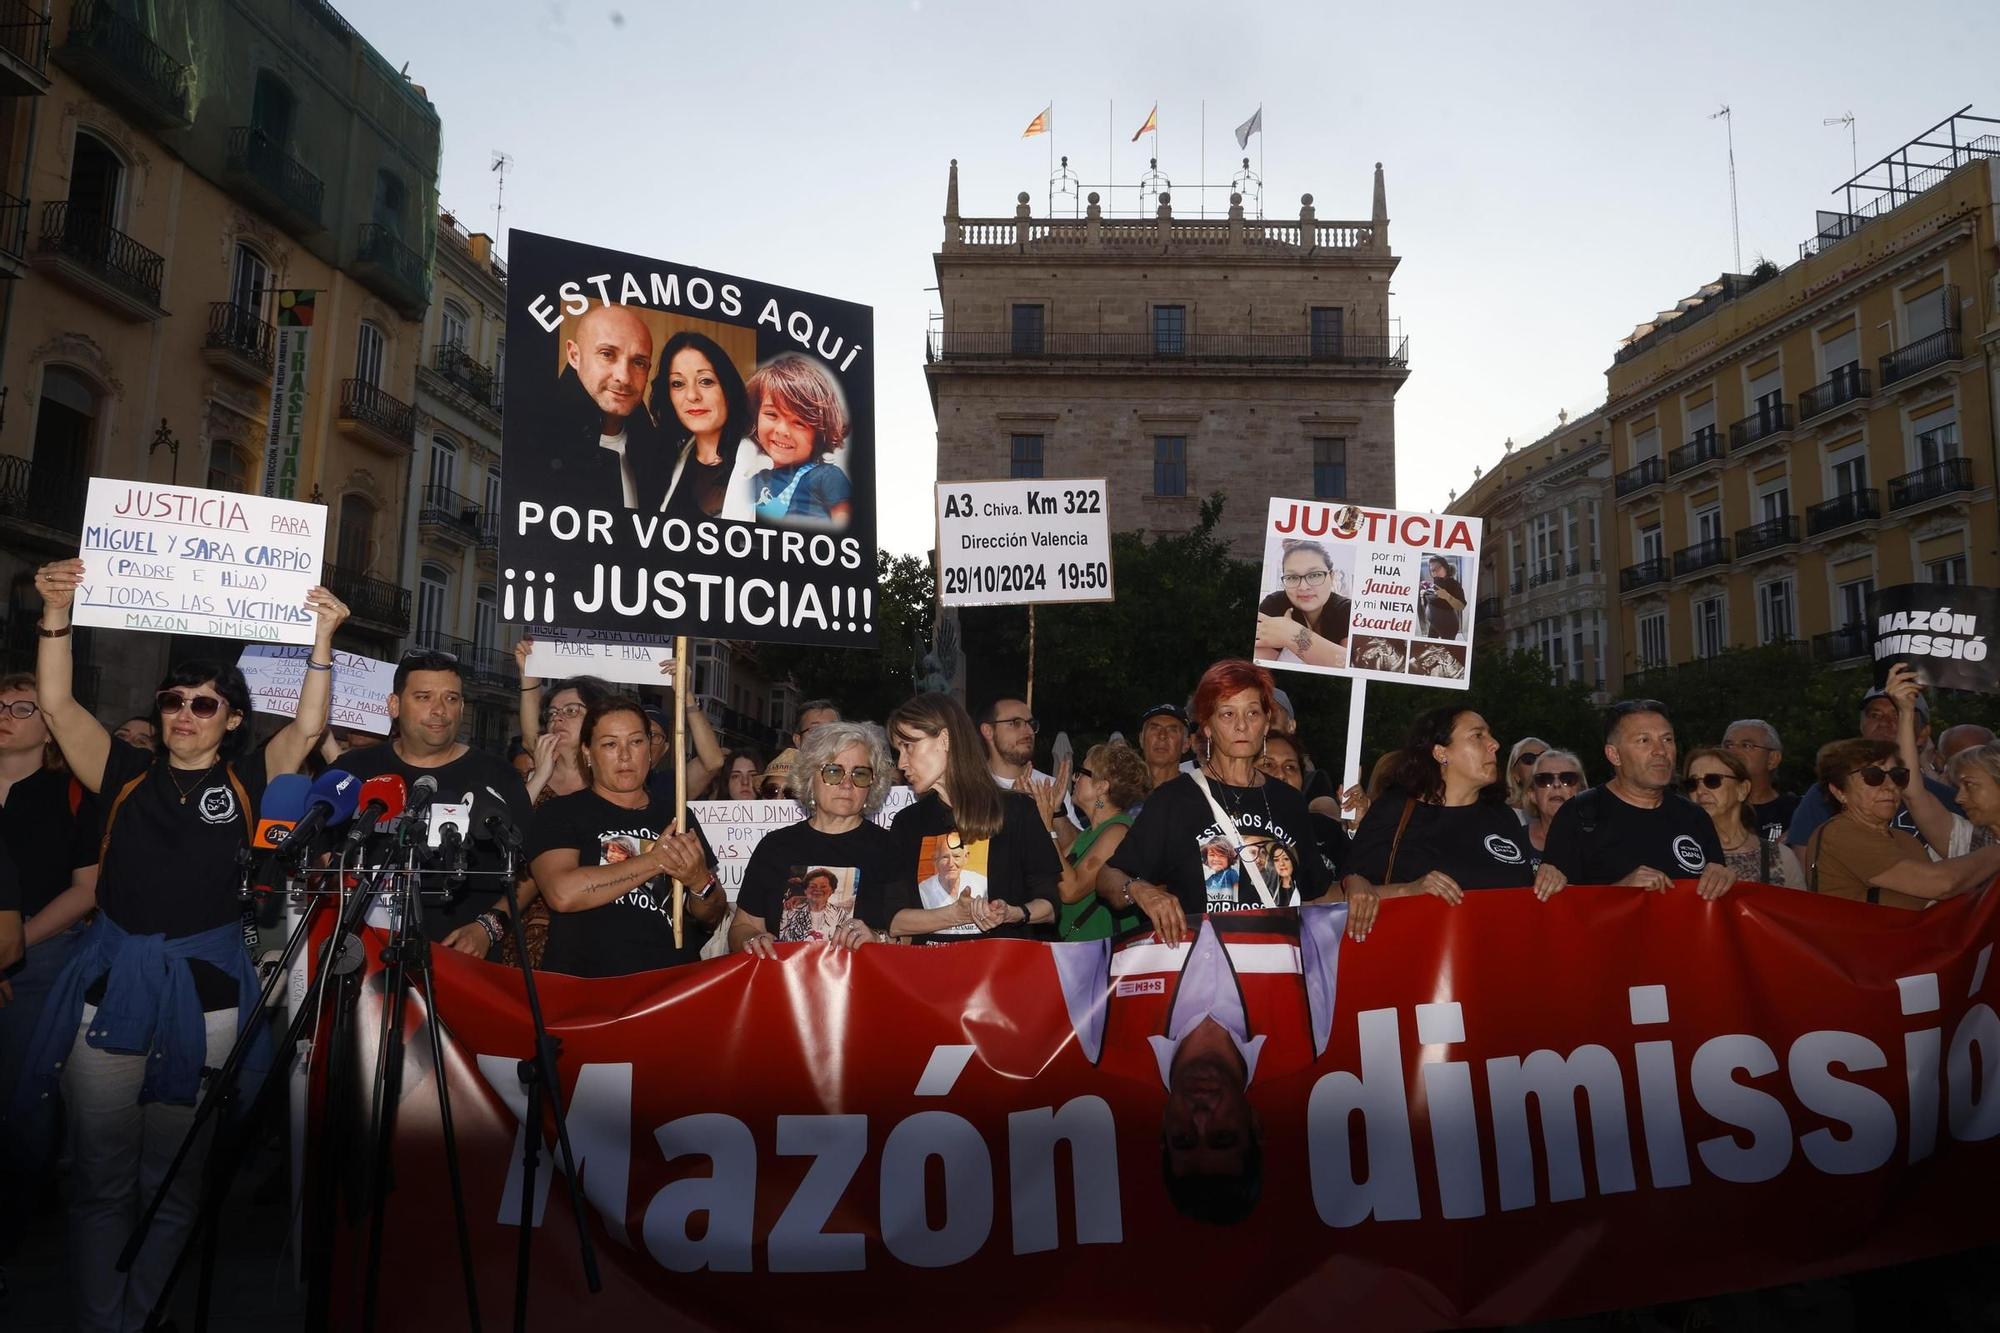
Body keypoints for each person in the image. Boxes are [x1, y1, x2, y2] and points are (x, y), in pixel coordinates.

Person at [12, 558, 345, 1332]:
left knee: (174, 1179)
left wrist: (322, 636)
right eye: (172, 702)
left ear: (232, 719)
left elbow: (307, 728)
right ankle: (106, 1320)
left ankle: (147, 1307)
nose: (184, 714)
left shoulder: (254, 778)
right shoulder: (123, 771)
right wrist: (56, 612)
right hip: (110, 996)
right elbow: (57, 703)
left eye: (203, 703)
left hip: (209, 1008)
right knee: (100, 1177)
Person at [1100, 660, 1337, 943]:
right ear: (1208, 727)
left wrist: (1356, 881)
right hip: (1205, 969)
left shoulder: (1290, 802)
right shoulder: (1174, 799)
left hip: (1276, 969)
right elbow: (1107, 876)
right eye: (1227, 714)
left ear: (1265, 724)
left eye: (1252, 712)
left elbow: (1316, 891)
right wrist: (1139, 890)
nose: (1241, 725)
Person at [332, 648, 538, 956]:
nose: (440, 710)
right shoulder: (352, 770)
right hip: (363, 955)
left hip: (463, 965)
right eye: (424, 697)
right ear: (394, 705)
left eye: (451, 699)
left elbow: (533, 871)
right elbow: (321, 856)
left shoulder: (498, 776)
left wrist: (488, 928)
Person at [526, 694, 725, 976]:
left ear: (650, 748)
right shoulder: (560, 813)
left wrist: (700, 883)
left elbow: (712, 915)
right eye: (610, 744)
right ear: (587, 752)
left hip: (669, 986)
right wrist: (655, 861)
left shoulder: (678, 815)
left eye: (636, 741)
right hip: (587, 989)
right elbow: (563, 893)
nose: (625, 755)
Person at [1343, 708, 1565, 914]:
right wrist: (1409, 890)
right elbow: (1353, 893)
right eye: (1477, 736)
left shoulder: (1502, 817)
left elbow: (1519, 903)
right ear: (1441, 753)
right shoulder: (1396, 810)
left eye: (1490, 735)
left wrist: (1546, 881)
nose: (1494, 744)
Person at [881, 693, 1059, 942]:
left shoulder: (1017, 811)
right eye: (898, 750)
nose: (901, 763)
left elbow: (1050, 905)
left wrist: (1013, 913)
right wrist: (954, 914)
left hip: (1001, 973)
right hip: (931, 975)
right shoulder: (908, 823)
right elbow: (894, 919)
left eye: (909, 746)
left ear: (944, 739)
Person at [731, 721, 897, 955]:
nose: (847, 784)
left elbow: (908, 937)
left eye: (859, 774)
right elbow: (743, 925)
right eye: (833, 771)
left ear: (872, 784)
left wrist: (879, 940)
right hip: (785, 986)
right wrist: (752, 939)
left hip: (861, 988)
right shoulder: (775, 847)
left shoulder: (890, 849)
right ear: (810, 777)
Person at [1543, 699, 1733, 899]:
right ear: (1614, 755)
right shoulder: (1579, 815)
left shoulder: (1695, 817)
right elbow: (1559, 912)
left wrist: (1721, 880)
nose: (1661, 750)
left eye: (1667, 739)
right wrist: (1620, 892)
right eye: (1644, 740)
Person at [1800, 737, 2000, 907]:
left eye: (1897, 776)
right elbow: (1940, 883)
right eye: (1873, 776)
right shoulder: (1840, 834)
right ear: (1839, 791)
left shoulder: (1906, 841)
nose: (1890, 786)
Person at [1787, 685, 1961, 849]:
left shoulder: (1952, 799)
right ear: (1862, 726)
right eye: (1875, 715)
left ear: (1923, 733)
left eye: (1897, 714)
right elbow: (1805, 865)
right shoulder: (1828, 792)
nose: (1884, 723)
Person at [646, 329, 762, 521]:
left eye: (706, 381)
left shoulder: (761, 465)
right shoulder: (666, 460)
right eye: (677, 383)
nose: (692, 395)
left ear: (727, 387)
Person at [1884, 664, 1995, 858]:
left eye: (1969, 785)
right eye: (1959, 786)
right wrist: (1905, 712)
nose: (1958, 798)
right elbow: (1911, 791)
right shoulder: (1970, 843)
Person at [744, 353, 853, 529]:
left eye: (799, 423)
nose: (782, 431)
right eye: (771, 414)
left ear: (820, 431)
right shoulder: (752, 482)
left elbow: (848, 532)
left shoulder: (826, 476)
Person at [1057, 742, 1150, 940]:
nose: (1075, 778)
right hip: (1079, 950)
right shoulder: (1090, 832)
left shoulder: (1117, 832)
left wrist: (1047, 825)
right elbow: (1057, 867)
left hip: (1098, 952)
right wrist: (1053, 811)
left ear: (1101, 787)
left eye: (1081, 772)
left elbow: (1070, 890)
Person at [1682, 746, 1805, 889]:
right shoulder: (1681, 854)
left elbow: (1799, 910)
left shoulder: (1780, 857)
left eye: (1712, 780)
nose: (1700, 791)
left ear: (1742, 789)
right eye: (1692, 783)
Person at [1255, 731, 1348, 877]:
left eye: (1290, 767)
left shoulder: (1323, 830)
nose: (1280, 775)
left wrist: (1357, 826)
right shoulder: (1231, 831)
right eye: (1268, 764)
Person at [1253, 539, 1350, 668]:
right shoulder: (1275, 604)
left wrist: (1290, 634)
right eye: (1292, 577)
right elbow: (1257, 667)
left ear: (1331, 576)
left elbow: (1353, 665)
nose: (1303, 587)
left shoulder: (1347, 610)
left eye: (1315, 575)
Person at [1721, 719, 1798, 843]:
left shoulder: (1798, 813)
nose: (1733, 752)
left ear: (1773, 759)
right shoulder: (1710, 809)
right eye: (1728, 746)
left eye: (1746, 746)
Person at [1524, 749, 1584, 866]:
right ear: (1532, 795)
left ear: (1581, 792)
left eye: (1568, 779)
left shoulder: (1601, 841)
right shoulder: (1513, 841)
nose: (1556, 785)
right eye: (1544, 780)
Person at [1137, 702, 1190, 791]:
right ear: (1141, 739)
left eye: (1172, 730)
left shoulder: (1198, 795)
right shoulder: (1120, 790)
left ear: (1186, 744)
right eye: (1154, 728)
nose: (1162, 736)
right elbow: (1103, 804)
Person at [1502, 736, 1548, 825]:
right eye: (1528, 759)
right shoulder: (1500, 817)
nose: (1538, 763)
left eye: (1544, 757)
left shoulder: (1570, 810)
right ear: (1515, 774)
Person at [1422, 555, 1467, 640]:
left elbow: (1461, 606)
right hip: (1434, 624)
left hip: (1447, 627)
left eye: (1438, 568)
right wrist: (1426, 592)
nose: (1435, 573)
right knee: (1429, 645)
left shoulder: (1454, 584)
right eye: (1432, 570)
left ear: (1445, 567)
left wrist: (1447, 596)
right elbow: (1437, 597)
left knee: (1447, 650)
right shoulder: (1437, 580)